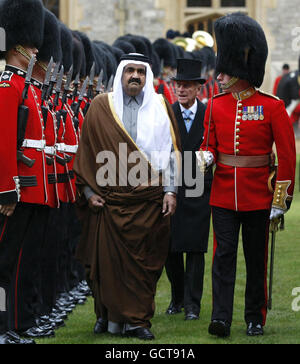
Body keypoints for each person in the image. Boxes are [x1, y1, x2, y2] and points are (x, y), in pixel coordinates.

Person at [197, 13, 296, 338]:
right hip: (223, 195)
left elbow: (287, 155)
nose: (219, 74)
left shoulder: (272, 106)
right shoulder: (215, 105)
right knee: (222, 257)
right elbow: (208, 143)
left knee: (256, 260)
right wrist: (206, 156)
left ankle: (255, 317)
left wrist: (281, 200)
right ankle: (221, 317)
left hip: (258, 195)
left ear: (240, 68)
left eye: (224, 69)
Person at [74, 53, 181, 341]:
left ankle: (137, 320)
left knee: (144, 265)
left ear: (147, 75)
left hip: (150, 203)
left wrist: (171, 191)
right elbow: (86, 153)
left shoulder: (161, 106)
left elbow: (172, 154)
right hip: (110, 202)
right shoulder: (100, 107)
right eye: (130, 71)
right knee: (106, 264)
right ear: (121, 74)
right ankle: (107, 316)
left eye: (141, 72)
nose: (135, 76)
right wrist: (88, 192)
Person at [0, 0, 50, 344]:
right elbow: (4, 141)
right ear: (17, 46)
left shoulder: (25, 85)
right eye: (32, 45)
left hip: (29, 187)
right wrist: (6, 188)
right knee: (5, 264)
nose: (36, 50)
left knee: (18, 262)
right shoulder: (8, 85)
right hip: (14, 188)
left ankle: (15, 324)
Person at [165, 58, 212, 321]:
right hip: (172, 184)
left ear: (197, 89)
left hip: (199, 185)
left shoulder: (208, 114)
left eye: (186, 86)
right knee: (170, 247)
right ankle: (177, 297)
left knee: (195, 247)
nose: (181, 90)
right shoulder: (167, 113)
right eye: (178, 85)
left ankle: (193, 304)